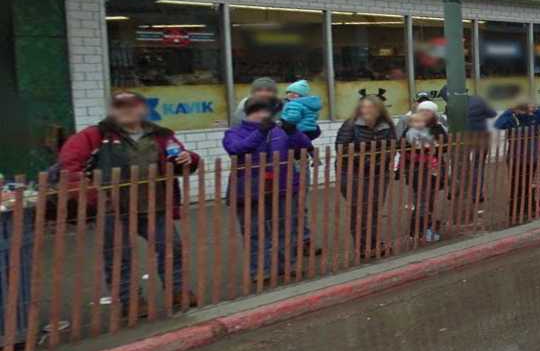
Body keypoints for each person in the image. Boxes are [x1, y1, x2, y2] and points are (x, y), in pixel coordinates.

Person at [58, 90, 202, 318]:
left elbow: (180, 160)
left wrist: (188, 158)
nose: (127, 110)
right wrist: (95, 198)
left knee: (171, 248)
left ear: (143, 108)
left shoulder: (161, 135)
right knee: (119, 256)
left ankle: (177, 291)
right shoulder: (94, 136)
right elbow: (70, 166)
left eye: (132, 105)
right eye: (120, 105)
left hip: (154, 205)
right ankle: (130, 300)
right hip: (113, 209)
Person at [223, 96, 314, 286]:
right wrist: (260, 132)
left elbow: (304, 146)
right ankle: (260, 271)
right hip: (249, 191)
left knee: (285, 229)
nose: (269, 115)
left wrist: (293, 131)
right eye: (263, 111)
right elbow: (237, 149)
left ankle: (287, 265)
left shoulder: (279, 131)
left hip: (281, 187)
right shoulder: (234, 132)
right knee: (255, 232)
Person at [334, 94, 398, 260]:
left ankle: (374, 242)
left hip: (378, 172)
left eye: (371, 107)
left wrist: (380, 161)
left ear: (379, 109)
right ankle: (364, 246)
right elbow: (341, 148)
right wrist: (367, 160)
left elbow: (392, 147)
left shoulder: (387, 125)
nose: (366, 110)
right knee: (361, 209)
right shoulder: (351, 125)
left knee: (374, 208)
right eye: (363, 107)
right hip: (352, 172)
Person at [495, 99, 540, 223]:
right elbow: (498, 124)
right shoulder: (512, 118)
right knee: (516, 185)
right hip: (515, 158)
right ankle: (514, 211)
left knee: (528, 184)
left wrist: (537, 109)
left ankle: (528, 208)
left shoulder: (535, 117)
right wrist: (510, 111)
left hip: (532, 157)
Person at [398, 106, 448, 242]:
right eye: (423, 110)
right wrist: (420, 149)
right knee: (421, 200)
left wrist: (434, 147)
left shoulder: (437, 127)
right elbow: (401, 146)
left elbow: (445, 146)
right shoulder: (411, 129)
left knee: (430, 198)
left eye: (429, 110)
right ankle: (418, 230)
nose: (425, 113)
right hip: (416, 169)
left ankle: (428, 225)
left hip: (434, 167)